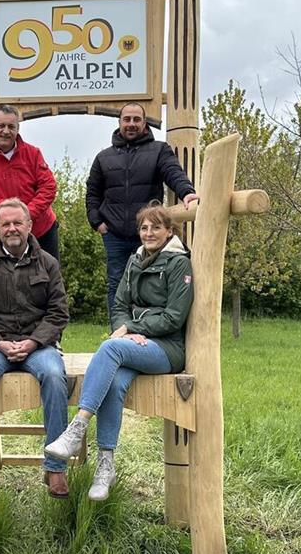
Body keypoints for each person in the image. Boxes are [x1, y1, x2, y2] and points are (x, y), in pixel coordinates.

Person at [45, 204, 192, 501]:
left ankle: (77, 429)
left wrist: (132, 329)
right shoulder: (135, 260)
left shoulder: (179, 264)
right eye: (144, 228)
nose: (149, 233)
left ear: (169, 231)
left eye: (156, 227)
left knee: (111, 347)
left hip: (166, 348)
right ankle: (106, 466)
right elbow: (119, 304)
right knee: (113, 381)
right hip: (135, 345)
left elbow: (174, 317)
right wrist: (127, 329)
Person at [0, 198, 71, 502]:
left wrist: (33, 342)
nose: (11, 229)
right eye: (5, 224)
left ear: (29, 225)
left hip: (39, 345)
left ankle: (55, 468)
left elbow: (58, 312)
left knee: (55, 376)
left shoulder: (48, 262)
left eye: (17, 222)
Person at [85, 103, 198, 324]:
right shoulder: (104, 157)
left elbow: (173, 173)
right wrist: (97, 222)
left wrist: (187, 192)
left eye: (136, 119)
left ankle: (146, 328)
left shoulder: (159, 150)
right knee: (117, 284)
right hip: (115, 235)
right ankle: (118, 332)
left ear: (144, 123)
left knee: (151, 284)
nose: (131, 124)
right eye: (127, 119)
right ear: (119, 123)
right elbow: (92, 192)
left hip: (148, 234)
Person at [0, 104, 60, 262]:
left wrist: (26, 214)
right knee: (12, 276)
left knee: (49, 275)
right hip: (8, 235)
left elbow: (49, 187)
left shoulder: (33, 153)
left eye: (11, 126)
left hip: (42, 229)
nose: (6, 131)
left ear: (18, 129)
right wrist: (6, 211)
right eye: (1, 126)